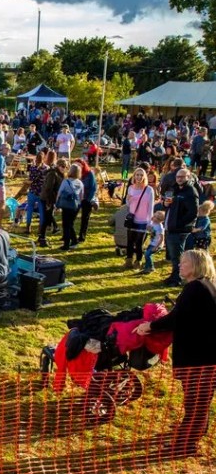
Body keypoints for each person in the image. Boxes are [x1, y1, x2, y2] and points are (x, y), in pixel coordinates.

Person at [134, 250, 216, 457]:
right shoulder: (206, 285)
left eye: (184, 262)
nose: (180, 265)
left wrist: (150, 326)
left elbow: (176, 319)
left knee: (195, 401)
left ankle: (185, 445)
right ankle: (196, 431)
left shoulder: (195, 288)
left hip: (200, 358)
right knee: (200, 400)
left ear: (196, 265)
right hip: (205, 356)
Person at [163, 169, 199, 287]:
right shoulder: (175, 189)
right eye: (178, 177)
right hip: (171, 227)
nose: (179, 179)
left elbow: (193, 213)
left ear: (188, 177)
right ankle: (174, 275)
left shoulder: (190, 192)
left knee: (177, 256)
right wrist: (165, 204)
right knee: (174, 255)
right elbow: (170, 206)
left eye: (182, 177)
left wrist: (180, 224)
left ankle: (176, 278)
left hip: (179, 230)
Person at [38, 158, 68, 248]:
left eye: (66, 167)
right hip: (46, 199)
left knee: (47, 218)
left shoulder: (59, 174)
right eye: (62, 166)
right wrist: (48, 202)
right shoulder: (53, 174)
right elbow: (48, 189)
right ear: (58, 166)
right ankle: (42, 238)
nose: (64, 168)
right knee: (46, 219)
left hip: (51, 199)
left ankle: (43, 237)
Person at [55, 164, 84, 251]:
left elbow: (59, 193)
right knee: (70, 224)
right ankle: (74, 241)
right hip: (75, 206)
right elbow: (81, 196)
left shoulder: (66, 182)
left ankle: (66, 245)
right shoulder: (80, 183)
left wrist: (57, 204)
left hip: (67, 205)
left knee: (66, 225)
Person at [76, 159, 97, 244]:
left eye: (79, 165)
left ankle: (82, 236)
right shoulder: (76, 174)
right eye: (76, 165)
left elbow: (93, 188)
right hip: (77, 198)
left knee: (85, 218)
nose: (78, 167)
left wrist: (88, 200)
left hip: (87, 199)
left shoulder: (89, 174)